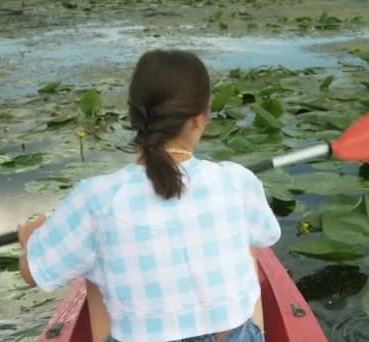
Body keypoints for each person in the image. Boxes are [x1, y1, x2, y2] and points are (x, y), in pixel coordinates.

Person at [17, 49, 281, 342]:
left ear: (135, 116)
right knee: (249, 245)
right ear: (200, 117)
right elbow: (266, 236)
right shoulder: (236, 180)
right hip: (232, 336)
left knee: (94, 263)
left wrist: (31, 244)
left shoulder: (97, 197)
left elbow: (33, 274)